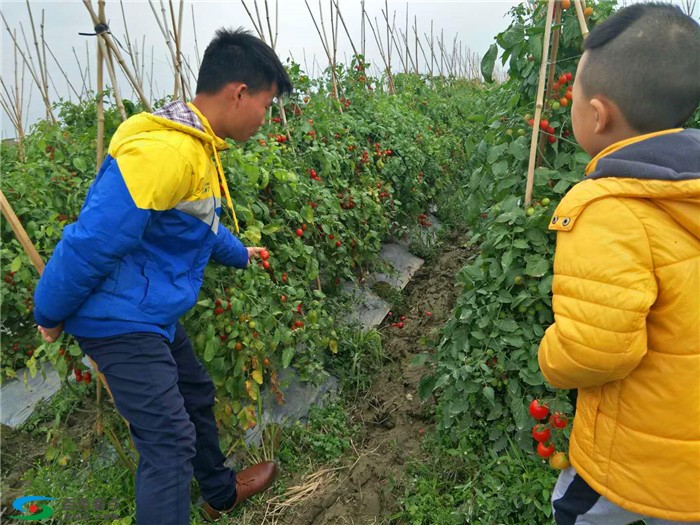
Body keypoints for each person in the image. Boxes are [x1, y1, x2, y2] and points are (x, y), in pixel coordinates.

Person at [33, 28, 293, 524]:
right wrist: (50, 310)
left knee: (194, 393)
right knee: (169, 440)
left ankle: (219, 493)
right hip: (118, 317)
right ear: (239, 93)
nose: (266, 117)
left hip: (147, 305)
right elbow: (91, 242)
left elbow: (196, 226)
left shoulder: (197, 146)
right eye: (266, 104)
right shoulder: (165, 154)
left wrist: (241, 254)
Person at [537, 3, 700, 525]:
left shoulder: (606, 210)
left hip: (638, 461)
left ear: (598, 114)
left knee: (575, 511)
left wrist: (550, 354)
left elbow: (597, 349)